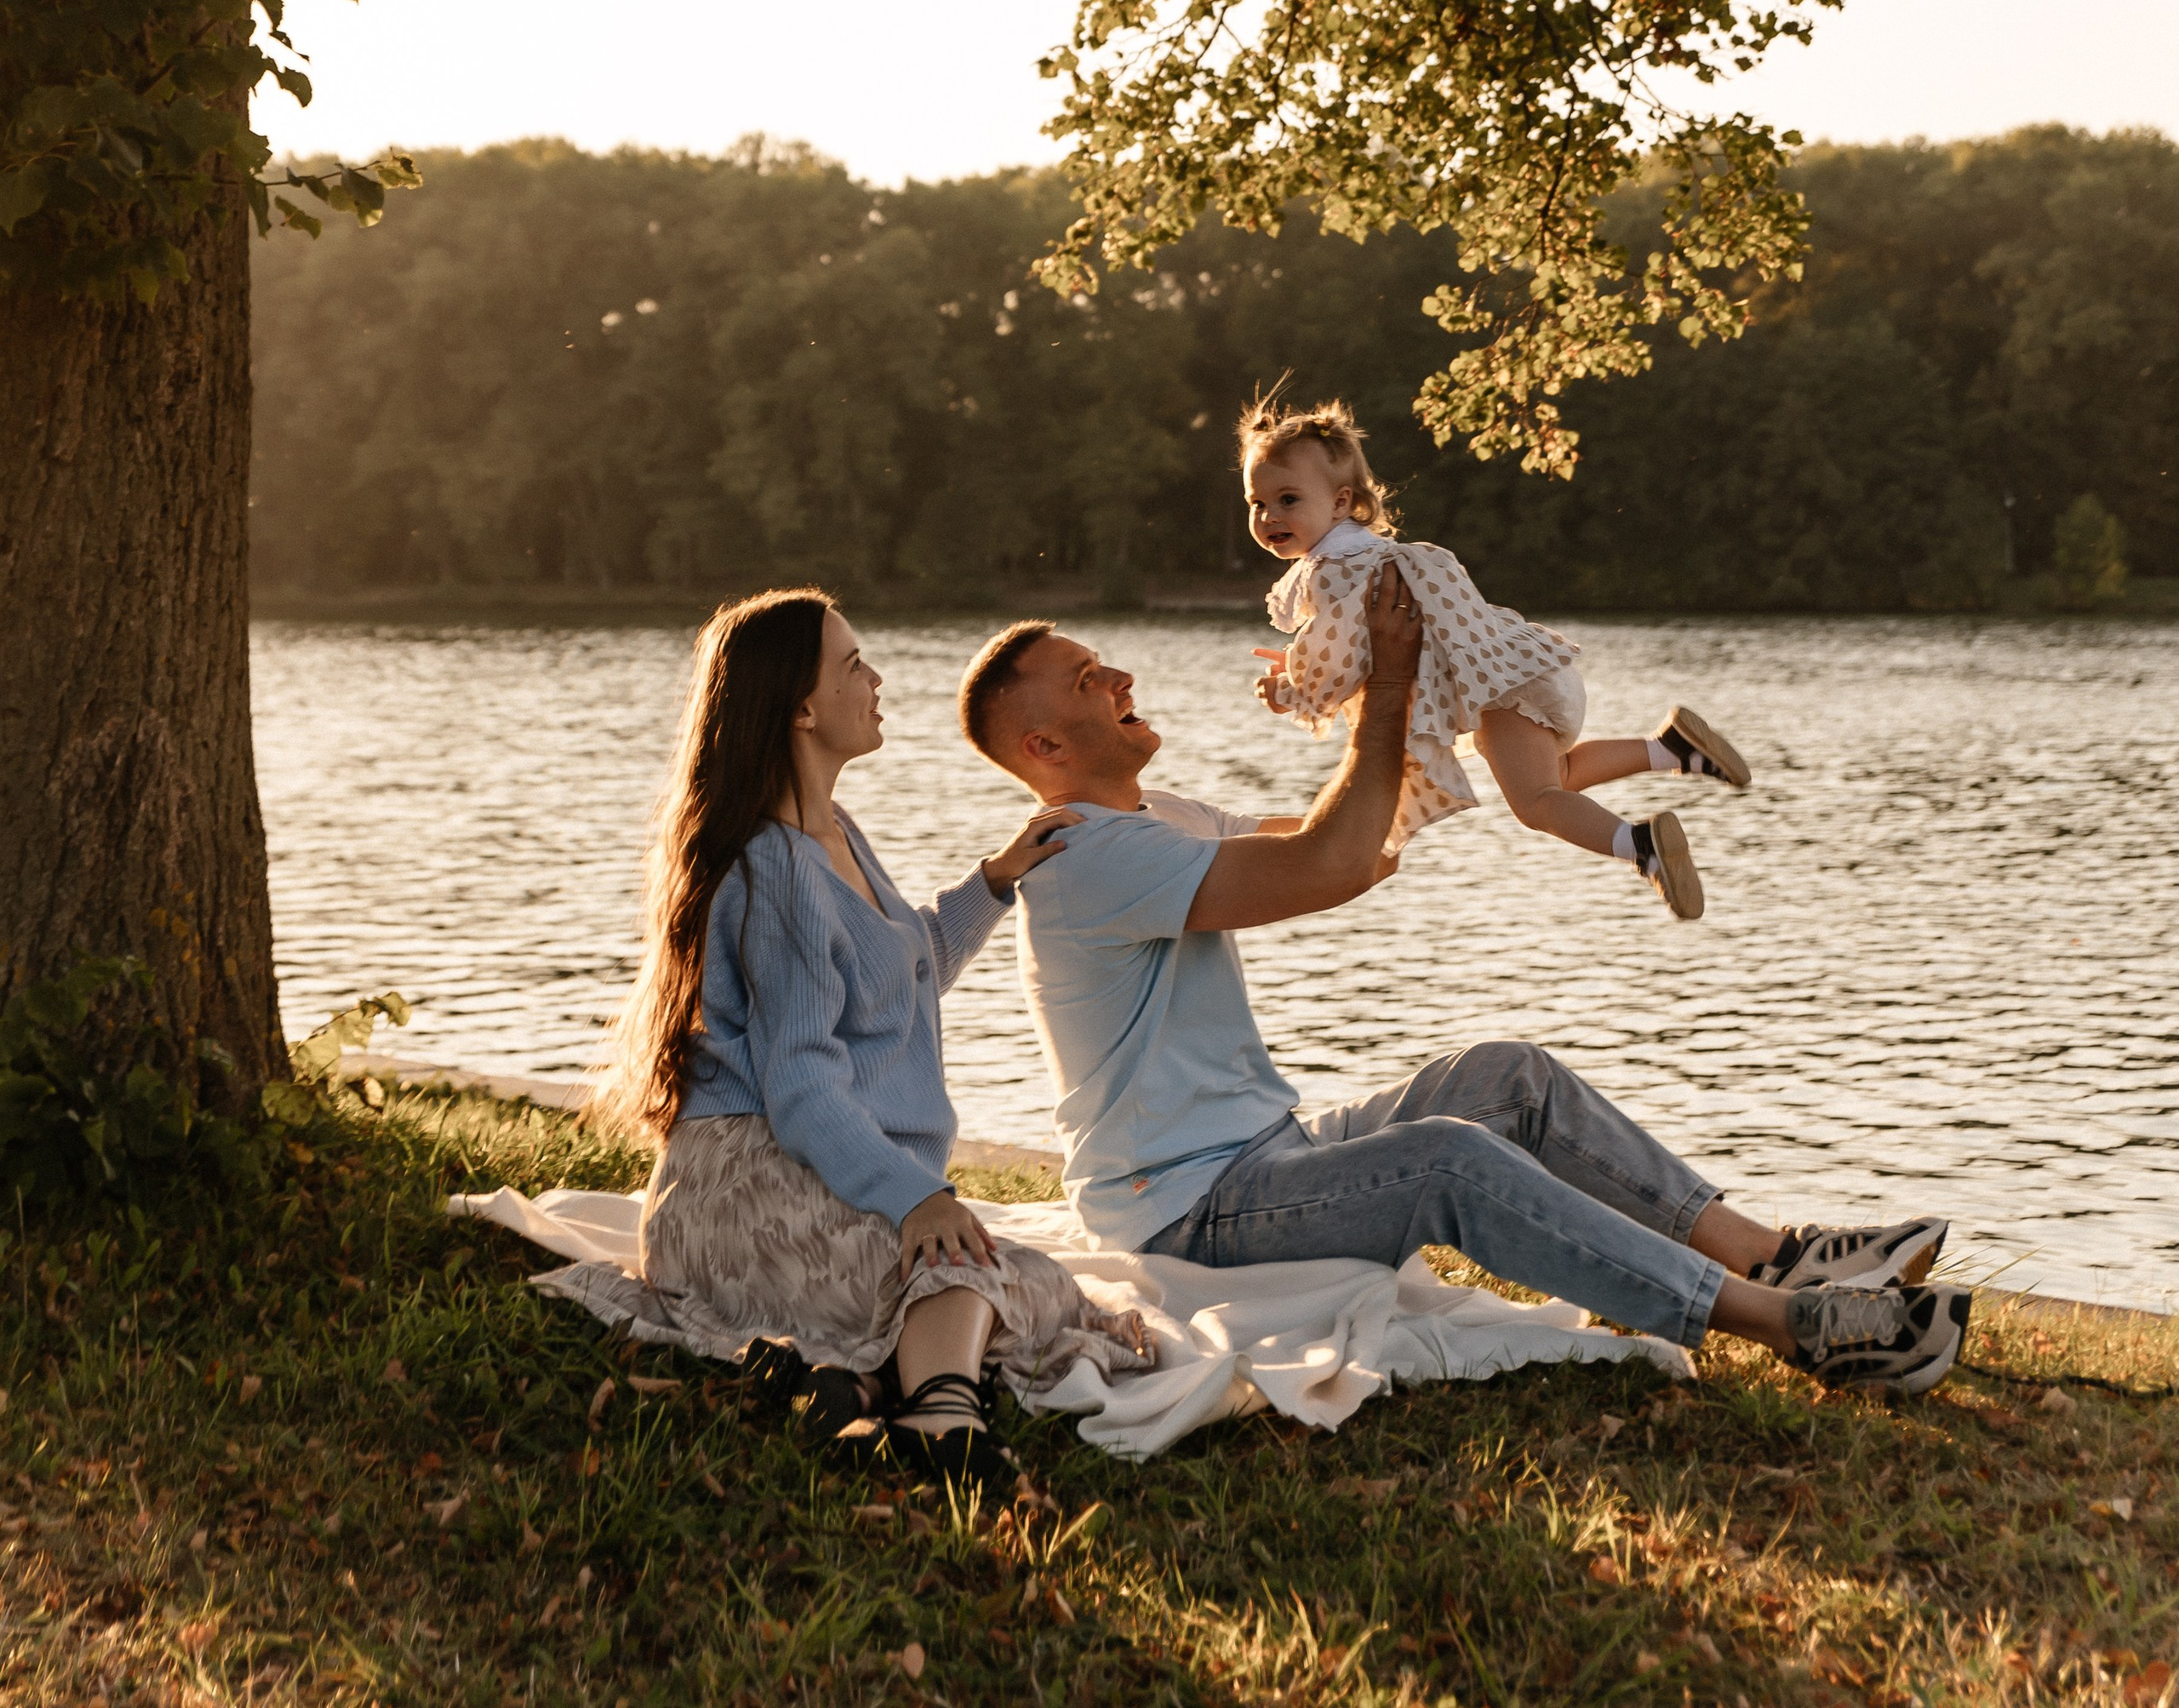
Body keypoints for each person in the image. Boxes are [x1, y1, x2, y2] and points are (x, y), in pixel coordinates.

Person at [957, 585, 1972, 1397]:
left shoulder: (1158, 815)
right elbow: (1331, 866)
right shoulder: (1087, 857)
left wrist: (1381, 682)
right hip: (1187, 1207)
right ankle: (1789, 1330)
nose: (1122, 673)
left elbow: (1360, 839)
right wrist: (1391, 686)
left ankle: (1774, 1256)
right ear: (1043, 750)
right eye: (1091, 678)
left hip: (1266, 1150)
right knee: (1445, 1159)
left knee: (1505, 1078)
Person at [591, 588, 1150, 1486]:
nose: (877, 678)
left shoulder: (833, 835)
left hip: (803, 1165)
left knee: (1037, 1283)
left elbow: (903, 964)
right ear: (803, 708)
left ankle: (845, 1384)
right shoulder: (778, 872)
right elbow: (803, 1086)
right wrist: (914, 1197)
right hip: (744, 1186)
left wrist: (995, 881)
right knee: (970, 1271)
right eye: (854, 665)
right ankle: (942, 1416)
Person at [1242, 393, 1748, 921]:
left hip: (1505, 696)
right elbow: (1357, 643)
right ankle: (1672, 749)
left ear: (1342, 502)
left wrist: (1289, 690)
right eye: (1257, 503)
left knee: (1536, 806)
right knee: (1559, 777)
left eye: (1288, 500)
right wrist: (1304, 661)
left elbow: (1337, 659)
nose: (1269, 515)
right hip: (1532, 672)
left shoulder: (1333, 569)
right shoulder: (1373, 552)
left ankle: (1641, 844)